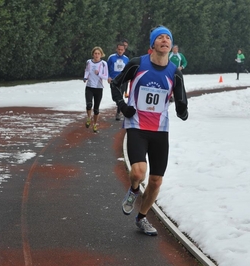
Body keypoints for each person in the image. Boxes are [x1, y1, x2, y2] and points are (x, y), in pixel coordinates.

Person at [110, 26, 188, 236]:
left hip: (160, 131)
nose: (165, 40)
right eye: (160, 37)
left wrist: (183, 110)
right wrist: (123, 106)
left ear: (171, 45)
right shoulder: (137, 64)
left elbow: (181, 99)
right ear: (152, 44)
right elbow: (115, 85)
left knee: (155, 181)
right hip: (136, 125)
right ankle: (134, 189)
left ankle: (142, 218)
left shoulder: (175, 72)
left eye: (168, 38)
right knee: (138, 172)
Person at [83, 46, 109, 132]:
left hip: (98, 88)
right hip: (89, 87)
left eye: (98, 54)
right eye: (95, 53)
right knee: (89, 105)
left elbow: (106, 76)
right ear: (93, 54)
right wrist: (85, 77)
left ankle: (95, 124)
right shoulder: (89, 62)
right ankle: (88, 118)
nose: (97, 55)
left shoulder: (103, 63)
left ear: (101, 55)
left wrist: (99, 74)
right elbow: (86, 71)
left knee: (96, 109)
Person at [107, 43, 130, 120]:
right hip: (113, 80)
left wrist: (129, 77)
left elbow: (128, 69)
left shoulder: (126, 59)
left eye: (122, 50)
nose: (120, 51)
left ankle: (118, 112)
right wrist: (108, 76)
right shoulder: (111, 57)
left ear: (124, 50)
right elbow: (106, 68)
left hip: (123, 80)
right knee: (115, 97)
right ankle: (119, 108)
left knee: (120, 96)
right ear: (116, 49)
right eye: (119, 49)